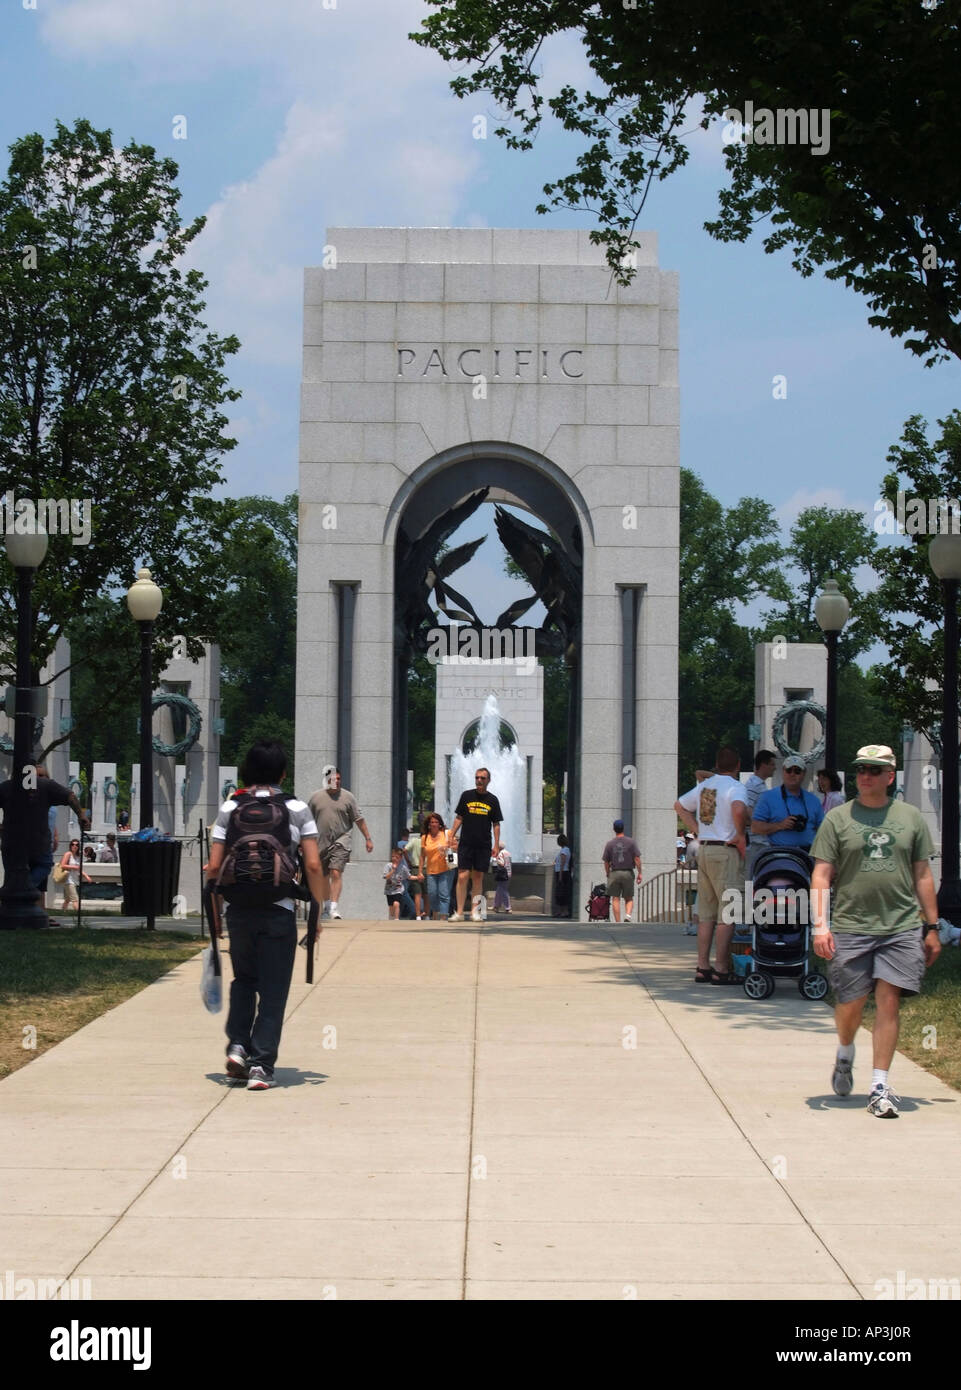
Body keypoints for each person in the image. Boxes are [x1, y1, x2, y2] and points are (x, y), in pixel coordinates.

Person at [811, 743, 941, 1119]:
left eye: (872, 769)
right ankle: (845, 1051)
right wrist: (821, 925)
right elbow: (821, 874)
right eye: (860, 769)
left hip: (901, 926)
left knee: (888, 999)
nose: (864, 776)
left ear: (889, 776)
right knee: (850, 1003)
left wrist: (931, 927)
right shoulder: (837, 819)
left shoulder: (911, 818)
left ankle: (880, 1085)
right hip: (852, 926)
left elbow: (922, 874)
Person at [206, 739, 324, 1091]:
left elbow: (213, 866)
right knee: (273, 990)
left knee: (244, 979)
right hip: (279, 909)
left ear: (247, 771)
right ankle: (261, 1066)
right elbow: (314, 864)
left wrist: (215, 913)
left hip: (238, 909)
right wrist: (318, 914)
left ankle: (238, 1046)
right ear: (283, 773)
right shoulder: (297, 808)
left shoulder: (230, 807)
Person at [674, 746, 748, 984]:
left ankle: (702, 966)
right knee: (727, 914)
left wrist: (696, 829)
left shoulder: (705, 787)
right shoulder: (736, 787)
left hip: (704, 848)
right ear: (737, 766)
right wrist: (740, 833)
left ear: (717, 765)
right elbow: (738, 808)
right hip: (726, 851)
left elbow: (679, 806)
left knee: (706, 913)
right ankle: (721, 968)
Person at [0, 761, 88, 910]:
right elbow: (70, 796)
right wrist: (81, 815)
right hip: (38, 841)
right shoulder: (45, 785)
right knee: (44, 864)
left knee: (12, 872)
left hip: (12, 842)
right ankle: (22, 890)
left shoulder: (7, 787)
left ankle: (15, 895)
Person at [308, 768, 373, 920]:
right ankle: (326, 906)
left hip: (342, 840)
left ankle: (333, 908)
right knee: (323, 876)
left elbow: (359, 819)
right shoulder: (316, 797)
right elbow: (307, 821)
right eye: (333, 779)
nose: (336, 781)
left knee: (336, 872)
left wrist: (368, 838)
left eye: (338, 778)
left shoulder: (348, 797)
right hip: (320, 843)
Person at [449, 767, 502, 922]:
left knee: (478, 877)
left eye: (482, 778)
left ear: (488, 780)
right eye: (477, 777)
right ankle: (459, 912)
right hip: (466, 843)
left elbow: (496, 823)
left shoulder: (493, 800)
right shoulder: (466, 796)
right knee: (462, 876)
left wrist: (496, 845)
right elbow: (459, 817)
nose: (479, 780)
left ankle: (475, 911)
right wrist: (451, 835)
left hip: (484, 844)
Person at [750, 755, 824, 852]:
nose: (792, 774)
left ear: (804, 774)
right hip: (779, 854)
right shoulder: (768, 797)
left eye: (797, 771)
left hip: (807, 855)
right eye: (789, 770)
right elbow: (755, 827)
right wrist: (780, 825)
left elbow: (823, 829)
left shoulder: (813, 800)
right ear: (783, 772)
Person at [601, 820, 642, 923]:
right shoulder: (631, 842)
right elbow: (637, 858)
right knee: (629, 897)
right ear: (623, 828)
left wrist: (607, 873)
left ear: (614, 829)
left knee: (615, 898)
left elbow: (606, 861)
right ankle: (627, 916)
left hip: (614, 872)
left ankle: (618, 922)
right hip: (628, 872)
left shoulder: (610, 844)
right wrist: (640, 873)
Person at [421, 812, 454, 919]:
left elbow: (456, 846)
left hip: (446, 869)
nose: (434, 824)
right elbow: (422, 856)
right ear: (428, 824)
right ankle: (435, 913)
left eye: (436, 822)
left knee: (444, 894)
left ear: (440, 823)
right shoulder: (425, 837)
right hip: (431, 870)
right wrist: (420, 871)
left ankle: (443, 917)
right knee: (432, 894)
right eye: (432, 822)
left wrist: (447, 848)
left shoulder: (446, 834)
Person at [383, 843, 416, 919]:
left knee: (396, 904)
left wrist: (417, 877)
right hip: (389, 890)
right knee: (391, 907)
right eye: (393, 857)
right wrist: (393, 870)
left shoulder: (403, 867)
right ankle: (392, 916)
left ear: (401, 858)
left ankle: (396, 919)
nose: (394, 858)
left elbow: (409, 876)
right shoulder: (388, 866)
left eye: (397, 857)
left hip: (398, 889)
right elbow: (386, 877)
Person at [58, 837, 93, 909]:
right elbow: (62, 865)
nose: (75, 846)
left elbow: (79, 869)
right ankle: (78, 916)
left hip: (74, 880)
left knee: (67, 900)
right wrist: (73, 867)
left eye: (76, 845)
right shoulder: (68, 854)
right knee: (75, 899)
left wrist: (86, 876)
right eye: (73, 844)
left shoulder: (78, 856)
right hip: (68, 880)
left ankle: (63, 912)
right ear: (70, 846)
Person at [402, 826, 427, 919]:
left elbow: (404, 850)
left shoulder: (414, 840)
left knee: (417, 894)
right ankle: (427, 915)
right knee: (426, 894)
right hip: (427, 868)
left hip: (415, 868)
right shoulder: (429, 841)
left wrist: (408, 861)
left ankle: (418, 916)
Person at [744, 749, 777, 819]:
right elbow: (747, 809)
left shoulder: (759, 785)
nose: (775, 768)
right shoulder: (754, 785)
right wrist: (759, 824)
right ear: (763, 765)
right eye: (772, 764)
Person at [553, 834, 572, 918]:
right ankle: (561, 911)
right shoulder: (565, 850)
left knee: (562, 892)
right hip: (563, 872)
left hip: (562, 873)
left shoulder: (564, 850)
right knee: (561, 893)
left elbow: (562, 863)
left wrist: (560, 875)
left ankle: (564, 911)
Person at [492, 843, 513, 913]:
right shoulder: (508, 853)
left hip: (503, 874)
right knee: (499, 890)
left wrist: (495, 860)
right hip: (509, 873)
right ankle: (496, 906)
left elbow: (502, 863)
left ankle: (508, 908)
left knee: (503, 891)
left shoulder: (500, 853)